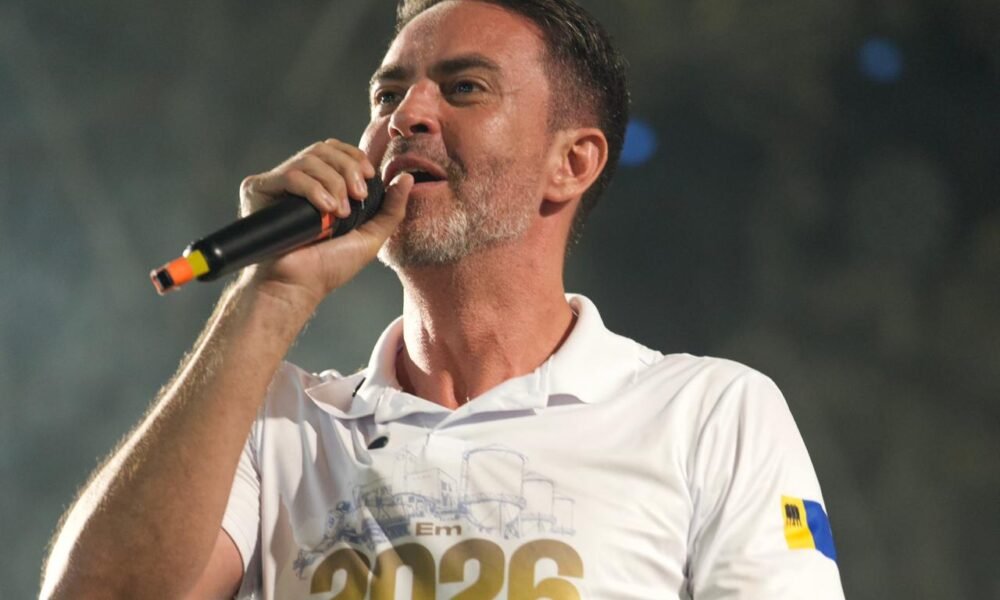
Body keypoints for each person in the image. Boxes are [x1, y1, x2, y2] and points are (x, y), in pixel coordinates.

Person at [41, 0, 845, 598]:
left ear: (570, 163)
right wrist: (269, 295)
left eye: (463, 88)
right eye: (387, 96)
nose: (407, 117)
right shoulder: (276, 426)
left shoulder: (706, 413)